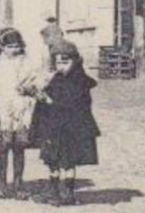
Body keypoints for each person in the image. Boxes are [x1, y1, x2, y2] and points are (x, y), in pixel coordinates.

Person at [31, 43, 101, 204]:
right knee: (52, 158)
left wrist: (50, 101)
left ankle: (68, 193)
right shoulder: (57, 77)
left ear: (75, 61)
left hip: (71, 127)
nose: (61, 66)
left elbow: (74, 103)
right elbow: (51, 94)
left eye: (65, 62)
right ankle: (53, 190)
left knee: (68, 160)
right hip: (54, 126)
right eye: (58, 63)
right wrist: (40, 94)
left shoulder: (79, 81)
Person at [0, 28, 38, 198]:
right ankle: (1, 184)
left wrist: (29, 88)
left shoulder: (28, 63)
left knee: (19, 148)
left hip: (22, 107)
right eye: (9, 46)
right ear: (2, 47)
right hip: (3, 109)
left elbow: (37, 81)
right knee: (2, 147)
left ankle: (18, 183)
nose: (14, 50)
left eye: (17, 46)